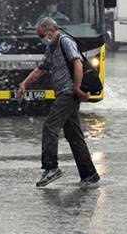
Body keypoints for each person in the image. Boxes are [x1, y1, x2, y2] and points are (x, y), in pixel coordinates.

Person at [17, 17, 100, 187]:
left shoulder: (65, 41)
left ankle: (51, 167)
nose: (41, 39)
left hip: (68, 93)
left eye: (41, 35)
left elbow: (77, 64)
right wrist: (24, 84)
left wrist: (77, 88)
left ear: (50, 31)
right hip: (65, 93)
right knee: (74, 136)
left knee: (50, 126)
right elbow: (41, 68)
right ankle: (90, 175)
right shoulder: (51, 47)